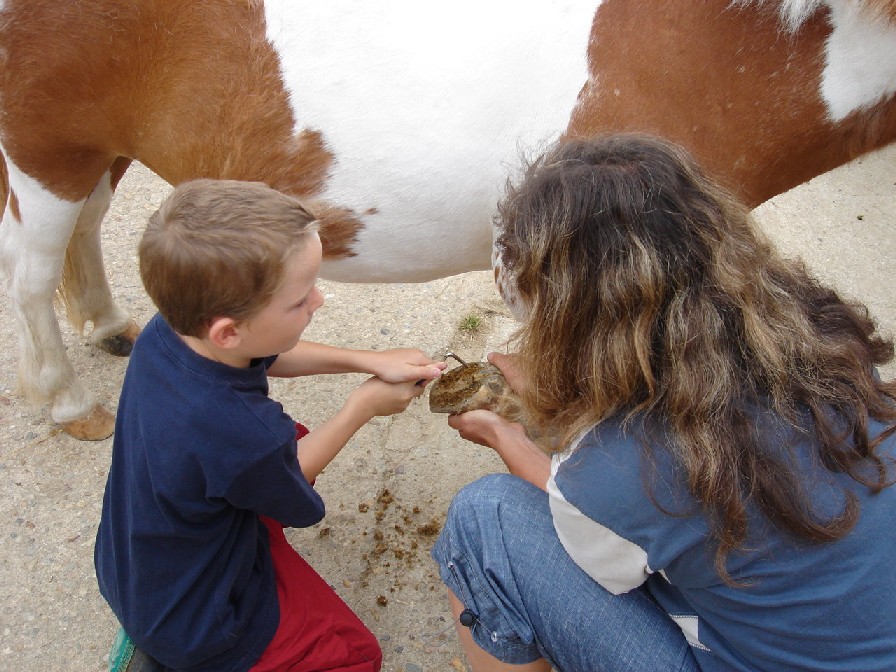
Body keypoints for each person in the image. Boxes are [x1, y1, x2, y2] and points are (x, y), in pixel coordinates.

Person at [432, 134, 896, 671]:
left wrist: (505, 432)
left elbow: (593, 543)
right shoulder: (827, 335)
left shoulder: (617, 470)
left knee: (484, 516)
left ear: (569, 318)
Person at [94, 179, 446, 672]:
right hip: (201, 623)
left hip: (130, 562)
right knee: (353, 655)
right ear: (229, 330)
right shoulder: (242, 431)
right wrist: (362, 405)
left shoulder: (169, 332)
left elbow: (268, 353)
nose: (318, 300)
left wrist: (368, 359)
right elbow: (294, 486)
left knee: (286, 442)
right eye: (300, 299)